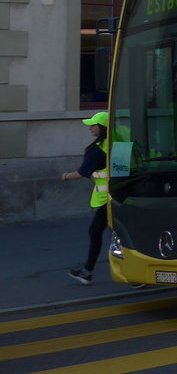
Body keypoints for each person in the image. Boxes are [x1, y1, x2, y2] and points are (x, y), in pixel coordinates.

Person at [62, 111, 109, 286]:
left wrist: (66, 176)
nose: (90, 128)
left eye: (93, 125)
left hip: (107, 199)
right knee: (119, 235)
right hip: (122, 195)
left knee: (96, 232)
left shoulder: (97, 151)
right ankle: (136, 276)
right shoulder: (116, 142)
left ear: (102, 128)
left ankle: (87, 273)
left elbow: (81, 174)